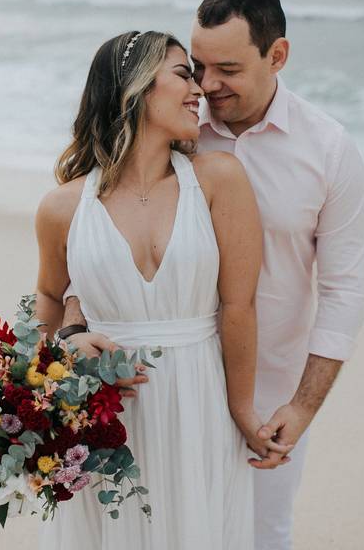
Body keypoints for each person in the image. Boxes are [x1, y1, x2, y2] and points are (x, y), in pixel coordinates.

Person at [61, 0, 364, 550]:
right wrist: (74, 328)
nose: (206, 85)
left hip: (274, 378)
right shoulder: (173, 127)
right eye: (197, 65)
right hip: (170, 376)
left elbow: (345, 290)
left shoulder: (328, 150)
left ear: (276, 56)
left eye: (226, 68)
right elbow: (93, 247)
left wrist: (301, 406)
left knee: (258, 531)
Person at [34, 30, 285, 548]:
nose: (199, 90)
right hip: (107, 412)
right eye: (183, 74)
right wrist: (66, 345)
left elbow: (239, 306)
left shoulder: (217, 179)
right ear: (135, 88)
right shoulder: (62, 207)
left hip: (200, 401)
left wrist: (241, 409)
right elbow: (49, 299)